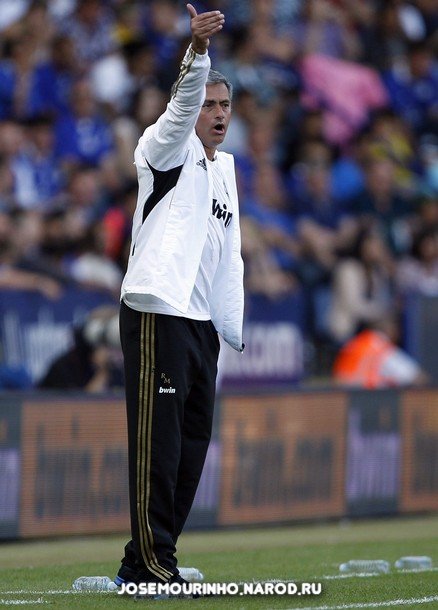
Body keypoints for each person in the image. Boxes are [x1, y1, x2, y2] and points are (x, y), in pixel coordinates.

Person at [115, 3, 244, 594]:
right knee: (158, 447)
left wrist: (225, 323)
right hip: (158, 312)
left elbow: (226, 254)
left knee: (191, 448)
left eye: (224, 106)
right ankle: (148, 564)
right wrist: (198, 53)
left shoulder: (225, 170)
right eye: (208, 105)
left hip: (199, 325)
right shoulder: (163, 148)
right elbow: (181, 105)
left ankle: (154, 555)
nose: (216, 114)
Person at [332, 315, 428, 388]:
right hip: (370, 400)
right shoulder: (381, 347)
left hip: (345, 399)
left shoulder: (356, 342)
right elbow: (415, 376)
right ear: (390, 330)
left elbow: (338, 379)